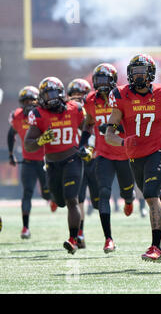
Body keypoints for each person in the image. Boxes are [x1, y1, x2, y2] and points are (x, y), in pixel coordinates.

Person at [105, 54, 161, 262]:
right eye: (135, 72)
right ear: (129, 74)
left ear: (151, 74)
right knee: (150, 191)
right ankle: (158, 190)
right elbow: (109, 134)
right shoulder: (120, 96)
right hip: (134, 155)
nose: (138, 76)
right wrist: (122, 142)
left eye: (142, 72)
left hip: (156, 151)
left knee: (149, 196)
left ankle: (156, 247)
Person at [24, 77, 86, 254]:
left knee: (72, 199)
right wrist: (42, 139)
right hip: (52, 164)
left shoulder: (75, 108)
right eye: (47, 94)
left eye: (53, 93)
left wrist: (87, 146)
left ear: (61, 93)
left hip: (72, 160)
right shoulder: (38, 114)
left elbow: (88, 128)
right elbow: (28, 143)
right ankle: (74, 234)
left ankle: (73, 239)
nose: (51, 97)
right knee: (59, 201)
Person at [81, 63, 138, 253]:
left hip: (124, 153)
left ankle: (129, 200)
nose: (102, 84)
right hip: (103, 154)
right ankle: (108, 239)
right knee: (103, 192)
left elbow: (131, 122)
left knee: (127, 191)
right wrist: (83, 144)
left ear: (113, 80)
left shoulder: (122, 96)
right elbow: (88, 124)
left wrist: (117, 129)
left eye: (106, 80)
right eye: (99, 80)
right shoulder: (90, 100)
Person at [8, 86, 52, 239]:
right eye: (25, 101)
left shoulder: (42, 113)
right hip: (28, 161)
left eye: (31, 100)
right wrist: (10, 154)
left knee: (46, 193)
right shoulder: (17, 116)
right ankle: (25, 227)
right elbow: (10, 134)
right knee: (27, 192)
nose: (28, 104)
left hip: (44, 159)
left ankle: (51, 198)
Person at [66, 78, 97, 249]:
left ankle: (108, 235)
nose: (77, 98)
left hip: (94, 158)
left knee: (100, 199)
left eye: (81, 95)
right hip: (76, 159)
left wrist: (91, 148)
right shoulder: (67, 111)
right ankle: (79, 234)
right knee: (78, 198)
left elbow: (94, 132)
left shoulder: (91, 109)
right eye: (74, 95)